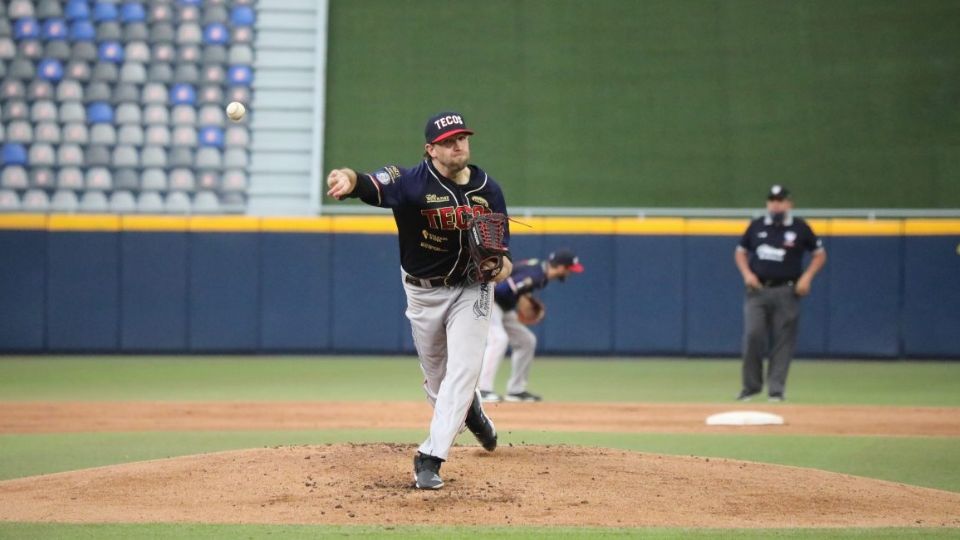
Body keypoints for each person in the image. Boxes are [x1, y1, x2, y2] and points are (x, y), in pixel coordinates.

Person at [326, 111, 513, 490]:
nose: (457, 145)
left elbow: (504, 260)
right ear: (431, 149)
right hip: (423, 291)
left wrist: (497, 268)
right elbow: (366, 182)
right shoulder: (409, 181)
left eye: (462, 138)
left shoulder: (488, 190)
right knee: (437, 380)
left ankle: (429, 458)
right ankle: (470, 413)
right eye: (447, 141)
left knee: (463, 370)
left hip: (471, 288)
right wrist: (347, 179)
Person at [734, 185, 827, 402]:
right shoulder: (757, 226)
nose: (776, 203)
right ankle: (750, 387)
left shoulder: (800, 227)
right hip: (758, 290)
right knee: (753, 335)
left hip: (787, 289)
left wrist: (807, 277)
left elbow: (820, 255)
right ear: (767, 203)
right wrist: (747, 274)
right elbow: (740, 252)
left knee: (783, 341)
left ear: (789, 203)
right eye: (772, 200)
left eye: (780, 200)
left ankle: (776, 390)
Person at [478, 249, 584, 403]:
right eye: (570, 269)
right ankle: (483, 389)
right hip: (489, 301)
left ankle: (516, 390)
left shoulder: (540, 270)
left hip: (501, 306)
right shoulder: (535, 276)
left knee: (527, 341)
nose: (570, 273)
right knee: (498, 339)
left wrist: (521, 297)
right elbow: (500, 289)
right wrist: (521, 299)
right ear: (561, 267)